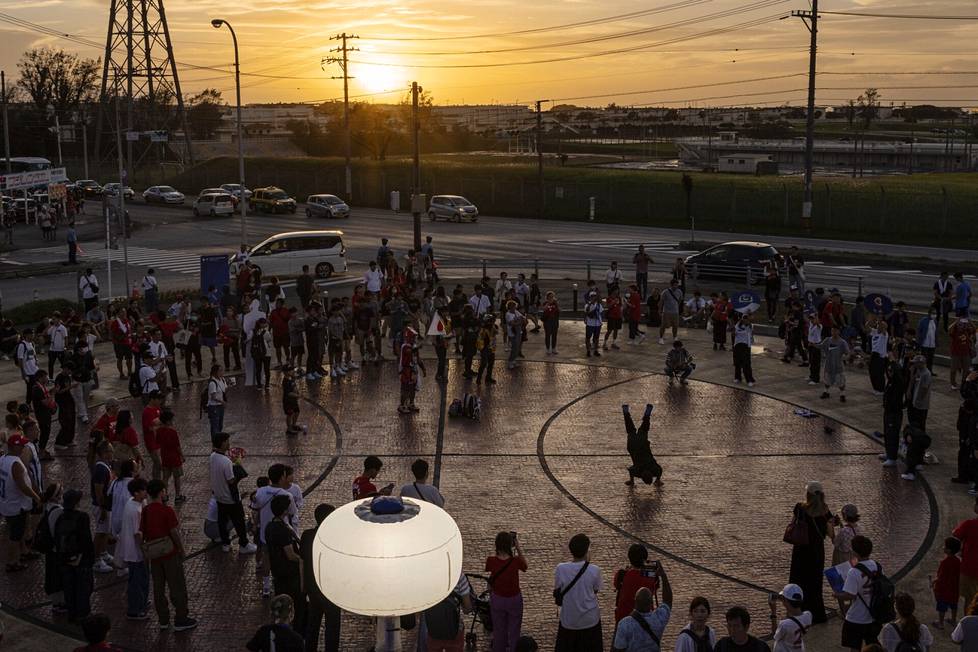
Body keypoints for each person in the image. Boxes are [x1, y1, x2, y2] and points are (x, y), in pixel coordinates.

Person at [142, 479, 197, 632]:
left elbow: (142, 532)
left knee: (158, 588)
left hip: (154, 554)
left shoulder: (146, 510)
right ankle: (181, 618)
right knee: (177, 586)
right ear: (161, 492)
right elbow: (174, 532)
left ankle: (163, 619)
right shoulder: (167, 511)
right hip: (169, 553)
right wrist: (181, 550)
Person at [788, 481, 834, 624]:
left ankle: (797, 611)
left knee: (798, 580)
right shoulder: (825, 511)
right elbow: (830, 533)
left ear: (807, 494)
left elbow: (793, 524)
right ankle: (817, 614)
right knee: (815, 582)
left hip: (801, 550)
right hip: (817, 551)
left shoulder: (800, 508)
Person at [554, 533, 603, 651]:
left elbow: (557, 589)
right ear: (587, 550)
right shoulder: (595, 570)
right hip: (590, 620)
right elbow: (595, 590)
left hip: (569, 620)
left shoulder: (561, 568)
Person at [209, 432, 257, 554]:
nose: (229, 443)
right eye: (227, 441)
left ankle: (225, 543)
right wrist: (238, 467)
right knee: (239, 521)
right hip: (230, 498)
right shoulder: (226, 462)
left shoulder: (213, 456)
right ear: (222, 443)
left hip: (219, 496)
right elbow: (231, 480)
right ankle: (244, 544)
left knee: (222, 520)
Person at [302, 503, 340, 652]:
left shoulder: (307, 535)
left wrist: (304, 586)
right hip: (330, 589)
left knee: (313, 623)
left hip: (312, 586)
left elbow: (303, 560)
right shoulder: (335, 539)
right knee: (333, 625)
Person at [1, 433, 41, 572]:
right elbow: (22, 486)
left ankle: (24, 551)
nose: (24, 447)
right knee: (15, 535)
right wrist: (36, 497)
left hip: (7, 503)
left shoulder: (3, 459)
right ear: (13, 446)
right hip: (16, 505)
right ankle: (12, 562)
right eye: (21, 445)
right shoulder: (15, 464)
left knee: (21, 530)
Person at [265, 494, 304, 631]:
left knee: (280, 603)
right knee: (295, 604)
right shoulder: (283, 530)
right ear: (284, 511)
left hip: (277, 572)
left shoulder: (269, 527)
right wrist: (301, 559)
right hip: (289, 574)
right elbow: (290, 555)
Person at [55, 489, 95, 622]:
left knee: (69, 588)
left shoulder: (60, 517)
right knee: (83, 588)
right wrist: (90, 558)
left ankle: (72, 614)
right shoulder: (82, 517)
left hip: (65, 559)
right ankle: (83, 615)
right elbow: (86, 540)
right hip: (81, 560)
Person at [485, 531, 528, 652]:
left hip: (498, 599)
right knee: (514, 630)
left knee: (499, 631)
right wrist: (518, 547)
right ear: (510, 545)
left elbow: (490, 572)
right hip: (514, 599)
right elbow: (525, 566)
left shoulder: (491, 561)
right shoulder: (515, 561)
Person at [835, 535, 880, 651]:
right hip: (873, 614)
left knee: (854, 648)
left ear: (855, 552)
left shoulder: (853, 572)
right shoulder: (877, 566)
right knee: (873, 646)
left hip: (856, 618)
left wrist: (837, 595)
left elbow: (850, 595)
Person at [612, 578, 672, 652]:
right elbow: (668, 600)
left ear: (635, 601)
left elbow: (618, 649)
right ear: (651, 603)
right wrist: (663, 576)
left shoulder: (624, 624)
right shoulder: (659, 618)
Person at [118, 478, 150, 620]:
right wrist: (145, 550)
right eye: (143, 490)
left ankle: (141, 602)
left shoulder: (132, 503)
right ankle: (135, 609)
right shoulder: (135, 510)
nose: (146, 492)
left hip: (133, 550)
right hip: (136, 552)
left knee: (139, 578)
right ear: (136, 492)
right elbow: (138, 534)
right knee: (137, 580)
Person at [613, 544, 660, 625]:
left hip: (624, 617)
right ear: (645, 559)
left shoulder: (622, 574)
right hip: (645, 619)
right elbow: (654, 589)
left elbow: (616, 585)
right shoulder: (651, 575)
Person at [624, 404, 663, 487]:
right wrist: (632, 481)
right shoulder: (638, 472)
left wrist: (658, 480)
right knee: (630, 429)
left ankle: (647, 413)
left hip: (643, 445)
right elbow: (631, 470)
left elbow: (660, 470)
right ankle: (625, 412)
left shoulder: (654, 470)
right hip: (633, 446)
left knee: (644, 428)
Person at [930, 536, 961, 631]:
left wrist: (934, 582)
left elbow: (941, 577)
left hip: (944, 590)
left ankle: (941, 623)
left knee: (942, 607)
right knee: (954, 605)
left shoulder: (944, 563)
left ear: (948, 550)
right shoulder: (958, 561)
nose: (943, 548)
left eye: (945, 546)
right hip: (954, 589)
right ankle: (953, 619)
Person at [768, 584, 811, 652]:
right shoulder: (808, 615)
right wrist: (785, 601)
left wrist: (773, 611)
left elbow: (775, 634)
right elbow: (794, 616)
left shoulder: (785, 624)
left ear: (785, 601)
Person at [820, 326, 849, 402]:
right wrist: (813, 344)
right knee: (827, 380)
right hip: (828, 365)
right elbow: (821, 346)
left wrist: (846, 357)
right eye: (832, 331)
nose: (833, 333)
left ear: (838, 331)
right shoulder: (827, 340)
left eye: (835, 331)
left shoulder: (842, 342)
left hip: (838, 365)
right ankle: (826, 392)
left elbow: (847, 353)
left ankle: (842, 394)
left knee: (840, 381)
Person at [907, 355, 932, 431]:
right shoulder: (918, 371)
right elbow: (913, 380)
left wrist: (919, 400)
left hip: (922, 405)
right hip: (916, 402)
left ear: (921, 363)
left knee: (920, 423)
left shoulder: (926, 374)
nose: (914, 365)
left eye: (915, 363)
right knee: (914, 422)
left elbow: (925, 389)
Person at [732, 313, 756, 386]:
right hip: (737, 345)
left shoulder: (750, 326)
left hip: (746, 346)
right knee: (737, 362)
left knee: (746, 363)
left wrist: (749, 313)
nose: (745, 320)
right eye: (744, 318)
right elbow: (733, 334)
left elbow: (751, 321)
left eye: (746, 318)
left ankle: (749, 380)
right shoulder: (737, 325)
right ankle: (738, 377)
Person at [206, 364, 229, 436]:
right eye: (220, 371)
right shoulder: (212, 382)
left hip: (220, 406)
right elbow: (213, 397)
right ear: (215, 372)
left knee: (220, 425)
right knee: (215, 426)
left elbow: (224, 390)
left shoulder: (222, 379)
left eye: (222, 370)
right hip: (214, 407)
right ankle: (215, 442)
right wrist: (222, 401)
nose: (222, 372)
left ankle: (218, 440)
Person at [659, 279, 683, 345]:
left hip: (675, 312)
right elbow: (661, 301)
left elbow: (680, 300)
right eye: (674, 285)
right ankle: (661, 338)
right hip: (666, 311)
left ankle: (675, 337)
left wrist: (677, 307)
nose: (676, 286)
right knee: (664, 325)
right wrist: (660, 310)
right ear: (671, 285)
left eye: (677, 285)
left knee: (675, 325)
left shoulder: (679, 291)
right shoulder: (665, 292)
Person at [584, 293, 603, 358]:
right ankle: (588, 351)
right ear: (590, 297)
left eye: (594, 296)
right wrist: (590, 304)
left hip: (597, 324)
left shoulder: (599, 305)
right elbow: (586, 312)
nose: (593, 298)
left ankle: (595, 350)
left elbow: (601, 313)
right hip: (590, 323)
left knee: (596, 338)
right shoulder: (587, 305)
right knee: (588, 337)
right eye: (592, 296)